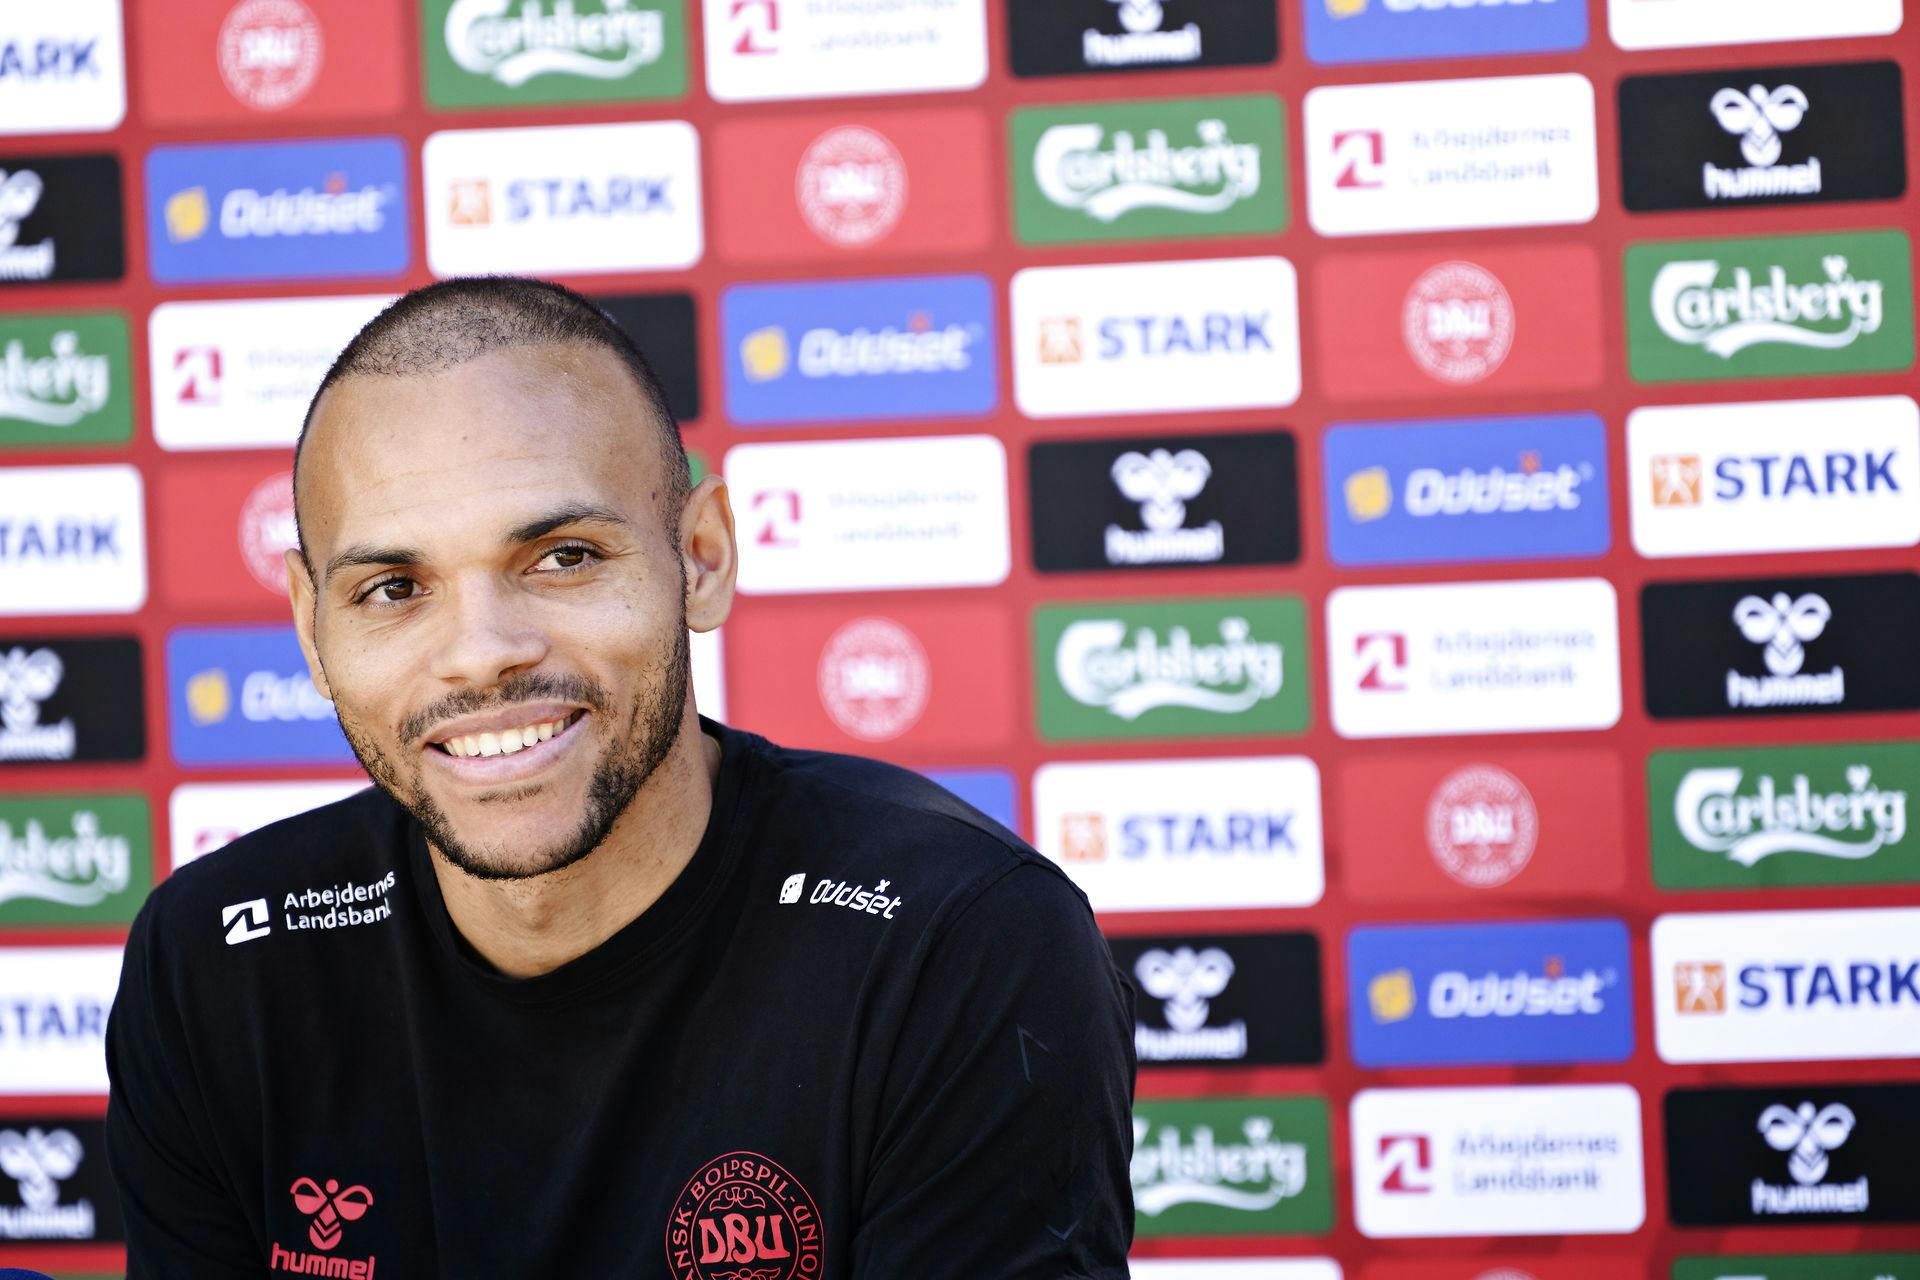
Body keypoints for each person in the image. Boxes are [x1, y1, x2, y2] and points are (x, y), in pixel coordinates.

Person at [105, 277, 1136, 1278]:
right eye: (392, 587)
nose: (481, 654)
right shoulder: (215, 964)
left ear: (701, 557)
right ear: (311, 629)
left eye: (563, 557)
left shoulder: (956, 943)